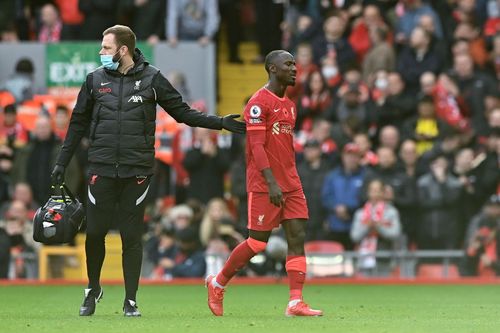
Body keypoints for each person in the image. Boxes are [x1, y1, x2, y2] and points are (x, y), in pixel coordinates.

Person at [50, 25, 245, 317]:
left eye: (105, 47)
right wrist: (61, 163)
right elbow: (77, 123)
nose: (101, 53)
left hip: (137, 170)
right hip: (100, 168)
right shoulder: (94, 80)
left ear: (123, 50)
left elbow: (183, 113)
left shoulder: (152, 78)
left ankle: (130, 300)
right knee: (95, 234)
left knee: (131, 236)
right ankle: (92, 288)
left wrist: (218, 122)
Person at [206, 50, 323, 317]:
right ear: (272, 68)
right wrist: (271, 183)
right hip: (264, 183)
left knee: (297, 237)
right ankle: (218, 283)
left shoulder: (290, 105)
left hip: (291, 183)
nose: (294, 69)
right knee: (258, 243)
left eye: (295, 64)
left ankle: (295, 302)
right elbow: (256, 147)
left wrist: (288, 180)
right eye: (288, 64)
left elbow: (285, 147)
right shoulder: (258, 103)